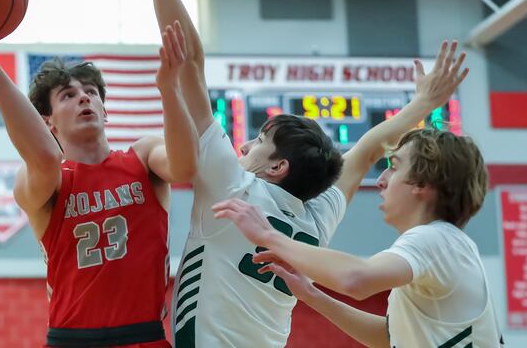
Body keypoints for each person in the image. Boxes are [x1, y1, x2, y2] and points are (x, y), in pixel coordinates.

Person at [133, 0, 470, 345]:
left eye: (257, 142)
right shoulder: (316, 219)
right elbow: (367, 149)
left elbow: (190, 60)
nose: (241, 149)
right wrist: (424, 104)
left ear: (277, 168)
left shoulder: (232, 190)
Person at [0, 11, 199, 347]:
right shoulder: (45, 181)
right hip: (71, 339)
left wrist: (169, 90)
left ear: (105, 110)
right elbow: (45, 156)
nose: (84, 97)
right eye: (67, 96)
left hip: (142, 336)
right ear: (48, 122)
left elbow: (186, 166)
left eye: (90, 92)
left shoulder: (143, 156)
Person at [214, 126, 503, 348]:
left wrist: (269, 236)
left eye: (394, 166)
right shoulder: (444, 243)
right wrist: (311, 294)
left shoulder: (435, 240)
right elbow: (390, 337)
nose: (381, 180)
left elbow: (357, 279)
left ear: (423, 183)